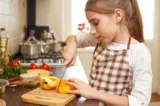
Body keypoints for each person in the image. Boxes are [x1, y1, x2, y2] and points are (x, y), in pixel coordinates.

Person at [63, 0, 152, 106]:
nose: (92, 31)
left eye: (96, 23)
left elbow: (140, 102)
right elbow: (73, 38)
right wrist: (71, 45)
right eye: (90, 24)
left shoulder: (139, 53)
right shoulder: (99, 39)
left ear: (117, 16)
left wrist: (94, 93)